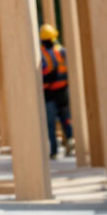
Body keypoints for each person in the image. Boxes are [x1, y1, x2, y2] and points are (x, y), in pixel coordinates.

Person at [40, 24, 72, 158]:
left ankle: (54, 151)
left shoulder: (44, 54)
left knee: (50, 123)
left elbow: (46, 74)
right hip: (63, 90)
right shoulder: (61, 51)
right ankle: (70, 141)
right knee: (66, 119)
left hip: (50, 93)